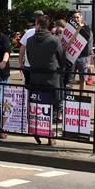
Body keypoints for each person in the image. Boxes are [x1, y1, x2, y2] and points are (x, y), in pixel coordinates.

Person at [25, 14, 66, 146]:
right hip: (52, 79)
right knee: (50, 110)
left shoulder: (30, 40)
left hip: (35, 78)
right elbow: (62, 59)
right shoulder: (55, 40)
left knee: (37, 108)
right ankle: (49, 136)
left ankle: (38, 131)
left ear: (37, 24)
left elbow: (30, 59)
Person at [18, 10, 44, 84]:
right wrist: (20, 62)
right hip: (33, 66)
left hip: (34, 66)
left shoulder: (29, 32)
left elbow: (22, 47)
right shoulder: (29, 32)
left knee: (30, 88)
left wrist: (20, 62)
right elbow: (22, 48)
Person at [71, 11, 92, 88]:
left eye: (77, 17)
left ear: (81, 18)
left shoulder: (86, 28)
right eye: (74, 17)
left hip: (82, 56)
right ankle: (69, 96)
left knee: (82, 79)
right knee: (70, 78)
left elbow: (86, 38)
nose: (76, 19)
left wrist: (79, 27)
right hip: (72, 56)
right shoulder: (70, 27)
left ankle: (81, 96)